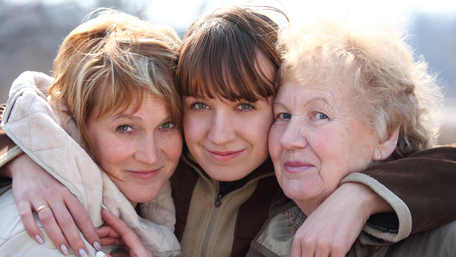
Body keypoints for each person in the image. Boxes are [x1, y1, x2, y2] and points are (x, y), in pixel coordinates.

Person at [1, 5, 456, 257]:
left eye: (244, 105)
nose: (219, 135)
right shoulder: (162, 166)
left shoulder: (294, 186)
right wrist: (24, 156)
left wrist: (361, 195)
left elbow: (442, 165)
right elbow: (46, 108)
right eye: (199, 105)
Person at [247, 17, 456, 257]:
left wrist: (363, 196)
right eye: (283, 114)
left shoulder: (446, 243)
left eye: (320, 115)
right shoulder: (265, 227)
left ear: (385, 136)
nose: (288, 139)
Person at [0, 9, 183, 257]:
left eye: (167, 125)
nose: (151, 156)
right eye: (125, 128)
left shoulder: (189, 175)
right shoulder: (41, 231)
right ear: (76, 122)